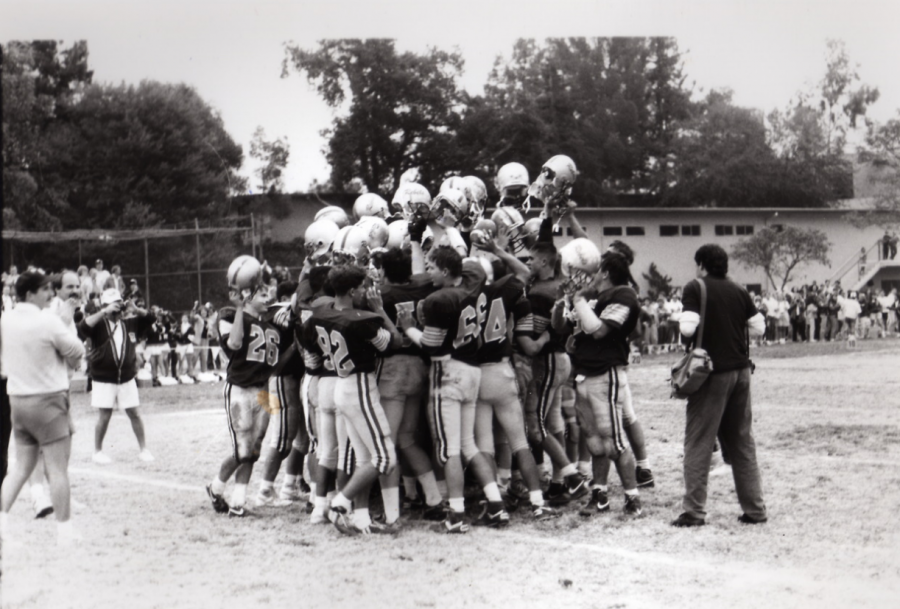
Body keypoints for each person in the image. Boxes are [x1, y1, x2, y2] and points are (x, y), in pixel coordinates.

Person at [671, 244, 767, 527]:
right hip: (740, 371)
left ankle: (694, 511)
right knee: (742, 443)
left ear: (701, 264)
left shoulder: (695, 287)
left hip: (710, 373)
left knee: (698, 442)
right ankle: (755, 510)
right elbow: (759, 328)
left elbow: (688, 328)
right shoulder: (738, 289)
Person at [554, 251, 644, 517]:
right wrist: (562, 302)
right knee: (594, 442)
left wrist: (579, 299)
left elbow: (599, 330)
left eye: (596, 269)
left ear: (604, 272)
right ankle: (600, 494)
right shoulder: (592, 298)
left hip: (606, 374)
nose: (590, 274)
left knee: (613, 441)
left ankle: (632, 498)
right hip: (582, 373)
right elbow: (561, 328)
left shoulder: (623, 295)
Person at [0, 271, 86, 545]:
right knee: (58, 469)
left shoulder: (6, 319)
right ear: (29, 294)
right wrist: (66, 321)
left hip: (18, 401)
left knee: (20, 468)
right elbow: (76, 349)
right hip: (48, 401)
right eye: (45, 289)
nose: (50, 294)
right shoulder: (48, 321)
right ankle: (65, 534)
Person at [206, 267, 279, 518]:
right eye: (263, 296)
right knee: (243, 449)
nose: (268, 299)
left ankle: (237, 503)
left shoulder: (271, 325)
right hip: (240, 388)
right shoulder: (231, 315)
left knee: (255, 451)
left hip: (265, 392)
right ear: (249, 298)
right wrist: (239, 308)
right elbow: (234, 345)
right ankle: (216, 488)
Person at [78, 288, 155, 463]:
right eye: (112, 304)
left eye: (117, 304)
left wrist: (135, 309)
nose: (116, 309)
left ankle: (143, 449)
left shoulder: (130, 323)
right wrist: (104, 312)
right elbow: (82, 327)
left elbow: (151, 318)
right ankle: (97, 451)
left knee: (134, 413)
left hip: (127, 377)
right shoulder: (98, 324)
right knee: (104, 415)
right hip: (104, 378)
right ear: (105, 305)